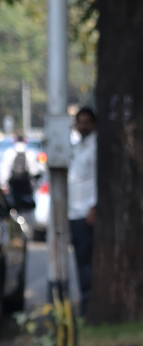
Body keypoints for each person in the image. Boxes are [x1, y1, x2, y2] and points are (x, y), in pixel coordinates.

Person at [68, 107, 97, 318]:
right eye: (80, 122)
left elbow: (99, 179)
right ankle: (85, 306)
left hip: (86, 212)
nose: (82, 126)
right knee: (80, 261)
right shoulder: (79, 147)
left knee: (86, 262)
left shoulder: (96, 147)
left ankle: (89, 307)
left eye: (86, 122)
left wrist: (94, 208)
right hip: (74, 212)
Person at [0, 134, 37, 238]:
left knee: (13, 211)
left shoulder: (9, 153)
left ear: (14, 140)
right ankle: (26, 232)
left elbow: (4, 172)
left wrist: (3, 185)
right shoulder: (30, 153)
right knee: (27, 211)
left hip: (14, 188)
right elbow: (34, 172)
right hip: (26, 188)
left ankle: (15, 232)